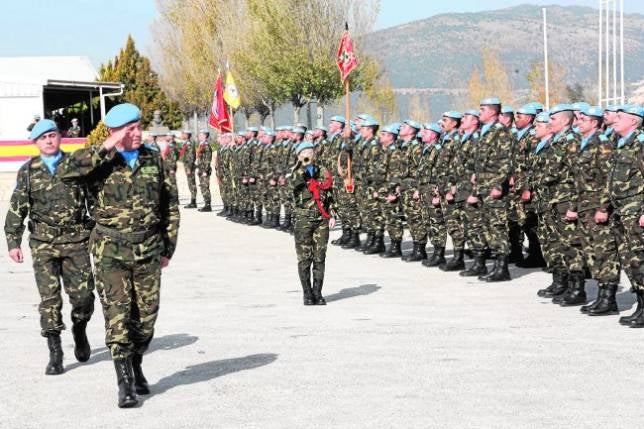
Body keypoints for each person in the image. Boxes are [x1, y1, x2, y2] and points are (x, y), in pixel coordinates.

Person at [59, 103, 180, 408]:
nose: (138, 133)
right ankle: (124, 381)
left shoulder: (154, 158)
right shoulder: (100, 160)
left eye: (139, 127)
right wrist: (105, 147)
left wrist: (168, 245)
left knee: (147, 320)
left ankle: (137, 363)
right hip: (110, 251)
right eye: (130, 129)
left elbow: (171, 206)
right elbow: (65, 173)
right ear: (115, 132)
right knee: (118, 317)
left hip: (148, 249)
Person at [4, 119, 95, 375]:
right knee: (49, 299)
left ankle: (80, 328)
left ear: (59, 137)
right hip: (43, 243)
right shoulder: (28, 171)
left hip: (77, 242)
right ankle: (55, 352)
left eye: (52, 135)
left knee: (84, 297)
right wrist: (13, 241)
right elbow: (17, 207)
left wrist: (99, 231)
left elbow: (93, 201)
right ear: (35, 142)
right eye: (43, 137)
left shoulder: (76, 166)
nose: (48, 140)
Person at [291, 141, 336, 305]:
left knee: (319, 258)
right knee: (304, 259)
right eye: (306, 152)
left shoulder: (323, 171)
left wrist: (332, 214)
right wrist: (304, 167)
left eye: (311, 152)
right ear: (299, 155)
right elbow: (294, 187)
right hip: (303, 219)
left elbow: (331, 193)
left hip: (321, 220)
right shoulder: (295, 172)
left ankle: (318, 292)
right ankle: (307, 293)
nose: (310, 155)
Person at [196, 129, 213, 212]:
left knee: (205, 187)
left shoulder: (206, 145)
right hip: (201, 170)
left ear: (205, 136)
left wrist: (205, 170)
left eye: (200, 135)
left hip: (204, 171)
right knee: (203, 187)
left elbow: (208, 159)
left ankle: (208, 205)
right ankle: (206, 203)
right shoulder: (201, 145)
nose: (199, 136)